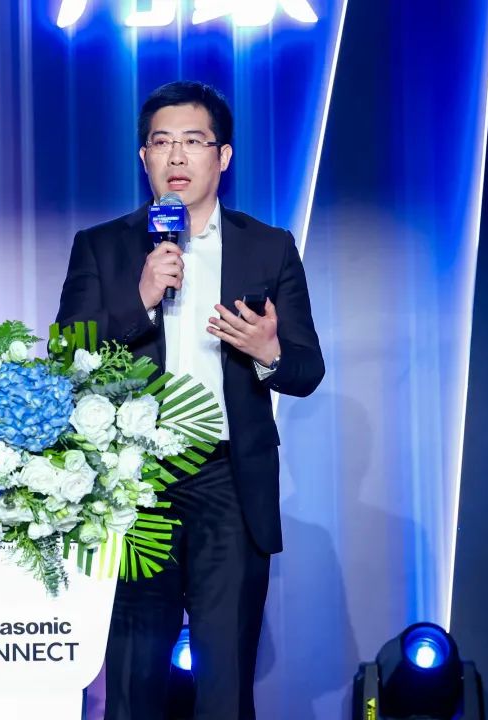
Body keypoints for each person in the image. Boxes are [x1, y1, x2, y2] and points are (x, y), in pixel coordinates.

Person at [55, 80, 325, 719]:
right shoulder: (103, 245)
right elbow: (66, 358)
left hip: (227, 479)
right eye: (162, 143)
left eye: (194, 142)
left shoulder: (268, 247)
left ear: (222, 156)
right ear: (143, 157)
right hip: (132, 484)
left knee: (224, 679)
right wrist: (140, 299)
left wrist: (268, 352)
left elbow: (306, 369)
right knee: (131, 680)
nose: (177, 157)